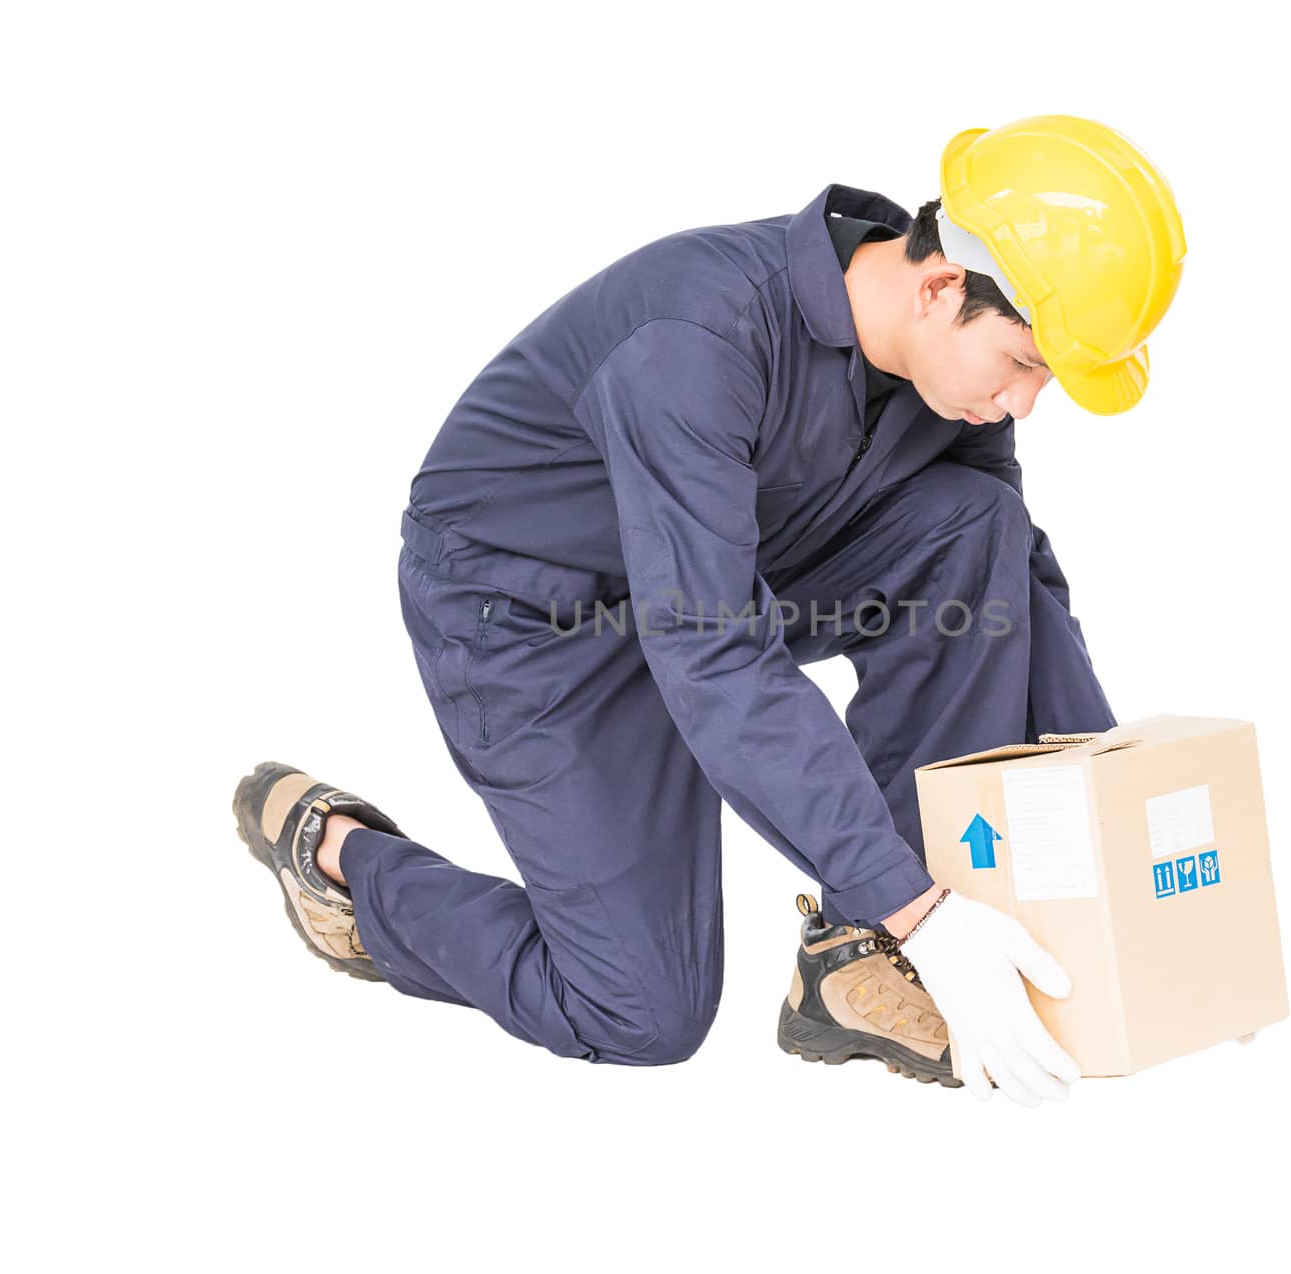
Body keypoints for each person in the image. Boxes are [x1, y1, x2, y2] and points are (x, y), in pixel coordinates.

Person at [233, 114, 1186, 1107]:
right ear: (942, 286)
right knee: (641, 1010)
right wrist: (922, 906)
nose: (1027, 401)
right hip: (525, 612)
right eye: (1026, 362)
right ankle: (341, 859)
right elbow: (717, 658)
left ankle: (853, 953)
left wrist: (1109, 816)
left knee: (975, 523)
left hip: (719, 573)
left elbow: (1008, 580)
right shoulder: (696, 340)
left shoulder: (945, 389)